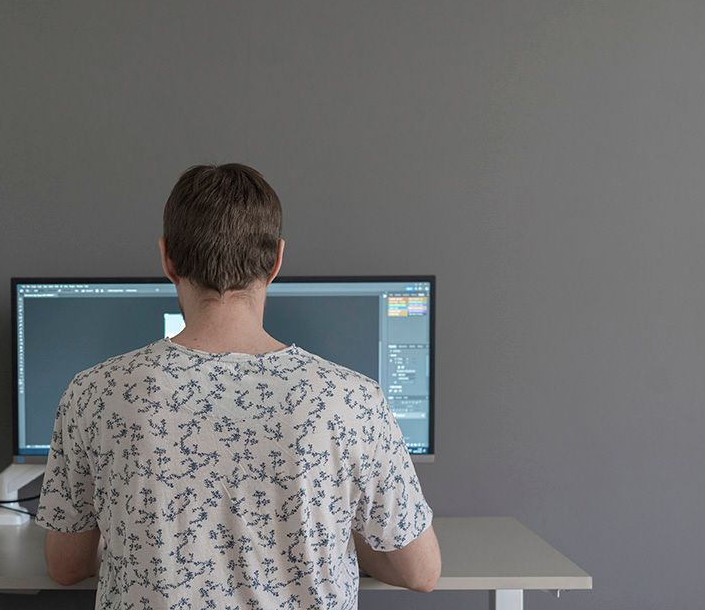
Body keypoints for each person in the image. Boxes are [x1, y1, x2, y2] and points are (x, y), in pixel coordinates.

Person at [35, 163, 441, 608]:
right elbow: (420, 572)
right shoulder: (352, 400)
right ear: (276, 261)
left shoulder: (93, 392)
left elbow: (66, 566)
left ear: (167, 258)